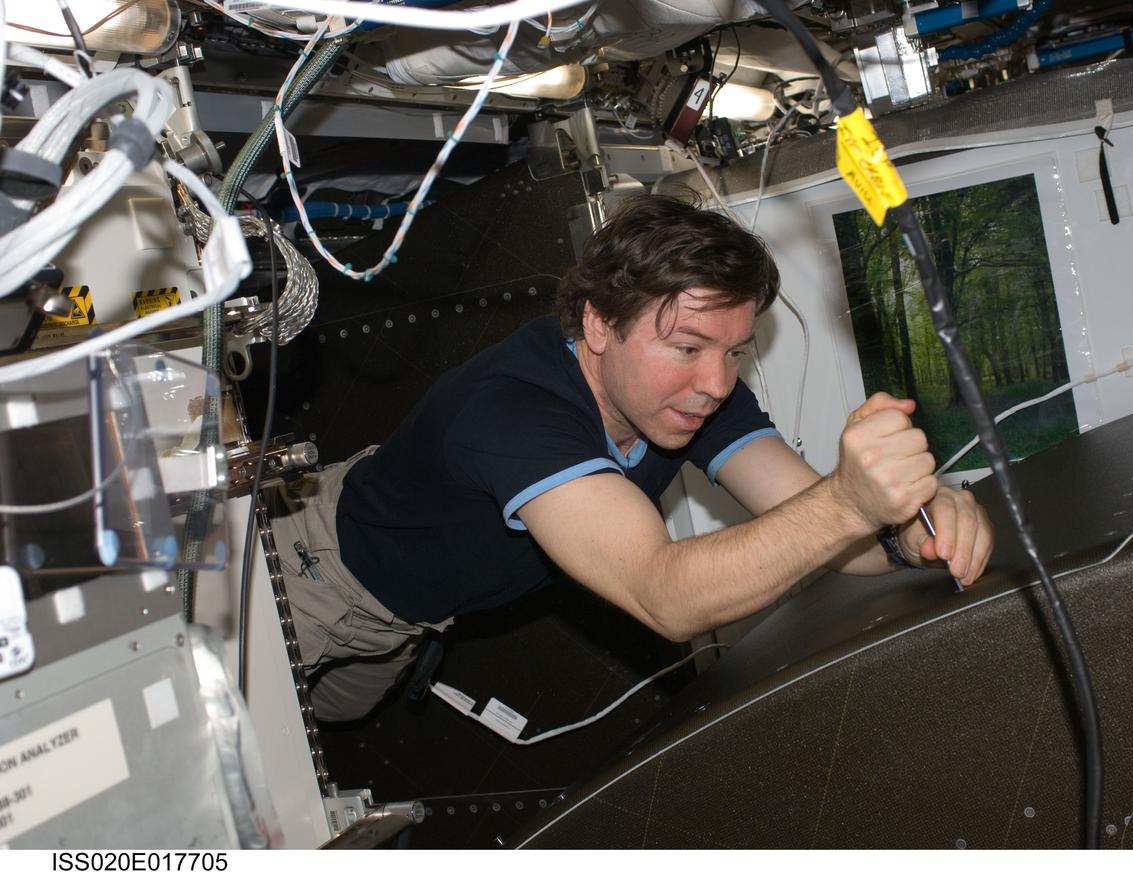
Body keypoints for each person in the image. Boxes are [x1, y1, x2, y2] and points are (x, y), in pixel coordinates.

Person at [272, 194, 994, 722]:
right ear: (598, 323)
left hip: (413, 617)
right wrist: (849, 500)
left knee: (336, 719)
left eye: (735, 352)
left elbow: (831, 532)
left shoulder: (691, 396)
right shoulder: (514, 411)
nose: (716, 383)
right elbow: (665, 594)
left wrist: (909, 532)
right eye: (685, 347)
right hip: (319, 574)